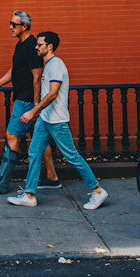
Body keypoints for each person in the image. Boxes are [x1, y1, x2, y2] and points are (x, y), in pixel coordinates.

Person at [7, 30, 108, 211]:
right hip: (46, 119)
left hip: (57, 121)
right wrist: (39, 112)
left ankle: (97, 190)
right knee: (34, 153)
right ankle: (29, 195)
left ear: (49, 46)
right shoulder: (49, 65)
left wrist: (33, 111)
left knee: (72, 156)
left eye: (40, 45)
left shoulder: (56, 65)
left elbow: (53, 94)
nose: (36, 47)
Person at [0, 10, 59, 194]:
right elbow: (15, 70)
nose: (10, 27)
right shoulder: (21, 45)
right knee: (40, 138)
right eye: (10, 23)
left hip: (26, 100)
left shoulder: (32, 46)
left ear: (24, 26)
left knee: (12, 135)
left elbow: (37, 76)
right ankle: (52, 177)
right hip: (27, 99)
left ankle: (3, 182)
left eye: (13, 24)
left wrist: (36, 106)